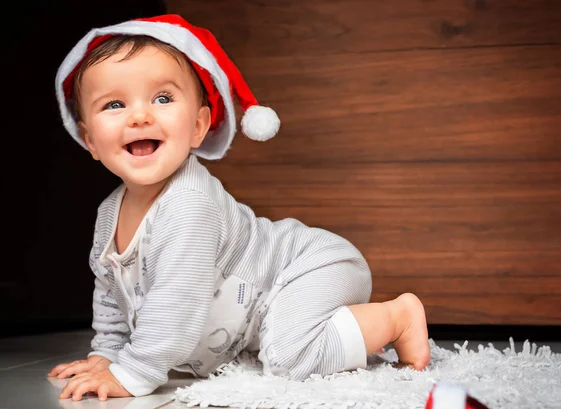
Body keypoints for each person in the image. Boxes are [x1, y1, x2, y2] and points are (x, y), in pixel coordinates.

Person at [47, 14, 431, 402]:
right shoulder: (109, 213)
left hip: (310, 267)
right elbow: (112, 292)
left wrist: (134, 372)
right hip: (274, 296)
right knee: (275, 342)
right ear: (90, 140)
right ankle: (328, 327)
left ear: (199, 125)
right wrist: (108, 354)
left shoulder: (188, 203)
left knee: (287, 357)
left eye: (163, 98)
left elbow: (175, 303)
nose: (140, 116)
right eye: (114, 103)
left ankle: (396, 316)